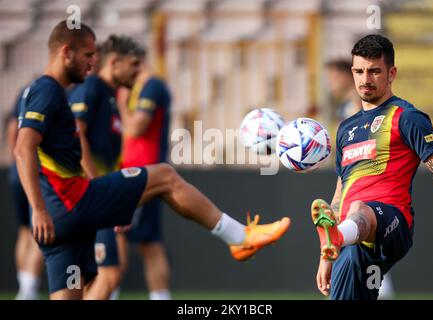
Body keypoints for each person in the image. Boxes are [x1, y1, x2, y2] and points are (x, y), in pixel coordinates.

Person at [13, 20, 291, 300]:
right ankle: (240, 238)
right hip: (71, 204)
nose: (94, 62)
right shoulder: (49, 89)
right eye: (88, 55)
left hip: (64, 218)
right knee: (165, 176)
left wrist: (108, 203)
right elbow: (23, 148)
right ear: (66, 52)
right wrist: (39, 208)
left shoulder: (49, 91)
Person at [311, 34, 433, 300]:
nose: (365, 79)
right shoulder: (346, 128)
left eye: (374, 71)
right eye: (359, 71)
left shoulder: (407, 117)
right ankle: (340, 237)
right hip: (351, 239)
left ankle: (341, 235)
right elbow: (341, 191)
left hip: (393, 223)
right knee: (351, 282)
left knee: (360, 208)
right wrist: (325, 257)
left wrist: (337, 235)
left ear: (392, 73)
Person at [67, 35, 144, 300]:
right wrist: (101, 187)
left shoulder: (112, 97)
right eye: (133, 64)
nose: (138, 71)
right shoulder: (91, 88)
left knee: (100, 277)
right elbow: (75, 137)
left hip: (95, 196)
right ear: (114, 62)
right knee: (109, 274)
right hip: (86, 195)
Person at [325, 58, 395, 299]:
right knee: (361, 245)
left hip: (365, 181)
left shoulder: (357, 105)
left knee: (358, 239)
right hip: (356, 178)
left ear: (347, 76)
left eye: (333, 77)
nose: (330, 83)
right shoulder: (345, 106)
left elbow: (366, 139)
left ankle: (379, 291)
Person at [116, 60, 172, 300]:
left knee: (139, 242)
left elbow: (135, 128)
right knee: (142, 241)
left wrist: (121, 106)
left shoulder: (150, 87)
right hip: (131, 173)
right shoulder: (143, 88)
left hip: (140, 175)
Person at [6, 89, 44, 300]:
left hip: (17, 170)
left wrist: (17, 161)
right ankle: (28, 290)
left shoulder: (24, 93)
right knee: (39, 229)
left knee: (25, 231)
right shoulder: (49, 93)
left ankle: (25, 287)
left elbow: (13, 130)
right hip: (35, 171)